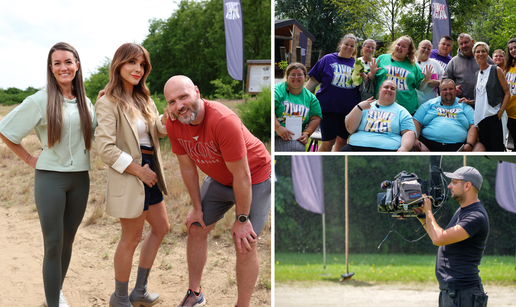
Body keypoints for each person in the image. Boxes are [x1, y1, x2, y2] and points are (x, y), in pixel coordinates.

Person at [0, 42, 96, 307]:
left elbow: (99, 133)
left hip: (80, 179)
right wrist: (30, 158)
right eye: (57, 63)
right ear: (51, 68)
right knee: (53, 243)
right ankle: (53, 303)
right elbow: (6, 131)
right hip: (51, 180)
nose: (63, 67)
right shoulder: (40, 99)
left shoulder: (85, 101)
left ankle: (56, 291)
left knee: (68, 241)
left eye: (68, 61)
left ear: (77, 65)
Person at [163, 76, 271, 307]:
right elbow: (187, 167)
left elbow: (242, 175)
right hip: (221, 180)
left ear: (197, 92)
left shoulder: (222, 120)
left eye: (183, 97)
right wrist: (196, 208)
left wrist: (242, 219)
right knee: (196, 227)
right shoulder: (173, 122)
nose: (179, 106)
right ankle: (195, 293)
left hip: (255, 177)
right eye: (172, 101)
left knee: (245, 241)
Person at [95, 43, 170, 307]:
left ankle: (140, 290)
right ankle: (121, 297)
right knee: (131, 237)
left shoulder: (145, 99)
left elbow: (156, 130)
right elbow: (104, 148)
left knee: (161, 227)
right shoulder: (107, 101)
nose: (138, 69)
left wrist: (170, 115)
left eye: (142, 64)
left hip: (151, 169)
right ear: (119, 65)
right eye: (131, 63)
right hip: (131, 172)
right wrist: (138, 170)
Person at [415, 166, 489, 307]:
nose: (449, 186)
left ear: (467, 185)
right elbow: (438, 236)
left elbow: (439, 238)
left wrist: (429, 210)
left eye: (454, 182)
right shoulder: (463, 210)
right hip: (454, 292)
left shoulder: (476, 216)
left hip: (464, 294)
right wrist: (421, 215)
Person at [305, 33, 363, 151]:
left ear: (355, 48)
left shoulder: (357, 65)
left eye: (352, 46)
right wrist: (299, 98)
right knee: (327, 142)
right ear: (341, 44)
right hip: (328, 108)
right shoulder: (327, 59)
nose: (349, 47)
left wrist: (366, 76)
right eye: (346, 44)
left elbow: (362, 84)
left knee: (342, 140)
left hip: (349, 111)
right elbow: (313, 81)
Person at [340, 79, 416, 152]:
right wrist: (358, 107)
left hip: (390, 149)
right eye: (386, 87)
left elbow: (408, 132)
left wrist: (404, 148)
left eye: (392, 88)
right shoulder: (364, 106)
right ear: (379, 90)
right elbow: (350, 128)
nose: (389, 90)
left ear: (395, 93)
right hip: (357, 145)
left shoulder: (402, 111)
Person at [369, 35, 433, 115]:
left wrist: (426, 79)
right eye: (398, 44)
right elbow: (371, 79)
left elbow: (420, 88)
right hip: (382, 106)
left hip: (406, 109)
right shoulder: (382, 58)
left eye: (403, 46)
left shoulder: (413, 66)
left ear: (409, 50)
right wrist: (372, 73)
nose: (399, 47)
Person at [413, 79, 479, 152]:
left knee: (479, 147)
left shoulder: (464, 105)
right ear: (440, 91)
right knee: (414, 145)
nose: (448, 92)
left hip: (458, 146)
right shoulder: (430, 104)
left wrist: (469, 144)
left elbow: (473, 125)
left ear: (455, 90)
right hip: (428, 143)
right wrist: (415, 139)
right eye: (444, 89)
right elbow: (416, 120)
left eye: (451, 89)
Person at [275, 62, 322, 152]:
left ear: (305, 77)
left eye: (300, 75)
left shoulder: (310, 97)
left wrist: (307, 133)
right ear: (287, 76)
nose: (296, 77)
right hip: (276, 134)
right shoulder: (278, 90)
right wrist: (278, 127)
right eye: (293, 75)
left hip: (296, 136)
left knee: (296, 148)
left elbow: (316, 117)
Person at [472, 42, 510, 151]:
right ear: (474, 55)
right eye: (478, 51)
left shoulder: (496, 70)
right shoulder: (476, 75)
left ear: (487, 54)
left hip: (494, 116)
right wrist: (469, 102)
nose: (480, 54)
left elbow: (507, 93)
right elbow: (482, 96)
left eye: (483, 51)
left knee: (498, 150)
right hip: (481, 119)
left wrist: (500, 112)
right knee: (487, 150)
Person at [443, 33, 494, 106]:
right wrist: (453, 88)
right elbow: (445, 80)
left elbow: (495, 74)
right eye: (461, 44)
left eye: (466, 42)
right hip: (462, 104)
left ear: (472, 42)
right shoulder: (453, 62)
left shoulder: (483, 56)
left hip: (484, 103)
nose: (464, 45)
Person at [416, 40, 445, 105]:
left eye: (429, 49)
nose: (426, 50)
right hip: (415, 104)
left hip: (432, 104)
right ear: (418, 48)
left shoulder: (435, 63)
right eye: (424, 47)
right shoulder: (412, 63)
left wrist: (438, 82)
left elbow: (445, 79)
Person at [504, 38, 516, 141]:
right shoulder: (509, 67)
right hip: (509, 113)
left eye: (515, 47)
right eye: (511, 49)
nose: (513, 50)